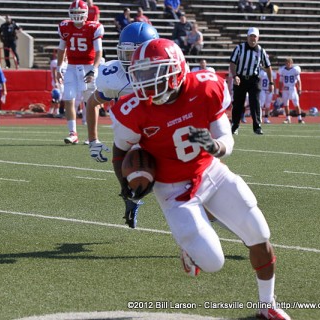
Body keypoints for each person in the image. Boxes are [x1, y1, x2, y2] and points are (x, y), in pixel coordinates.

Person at [110, 38, 291, 320]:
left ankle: (267, 305)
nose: (146, 82)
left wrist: (213, 146)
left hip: (210, 171)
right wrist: (127, 187)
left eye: (153, 73)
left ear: (176, 70)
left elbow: (225, 141)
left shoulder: (206, 87)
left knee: (259, 233)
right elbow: (121, 151)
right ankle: (190, 248)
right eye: (141, 74)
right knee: (213, 262)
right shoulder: (133, 109)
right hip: (172, 191)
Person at [85, 22, 158, 163]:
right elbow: (92, 103)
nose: (132, 60)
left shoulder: (167, 72)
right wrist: (93, 140)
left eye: (137, 54)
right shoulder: (115, 76)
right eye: (128, 53)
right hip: (132, 138)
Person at [57, 0, 104, 144]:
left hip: (88, 66)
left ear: (85, 14)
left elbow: (98, 52)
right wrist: (59, 66)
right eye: (74, 13)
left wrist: (94, 70)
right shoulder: (65, 26)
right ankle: (73, 133)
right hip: (71, 66)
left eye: (79, 12)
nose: (77, 16)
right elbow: (61, 49)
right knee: (68, 98)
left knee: (90, 102)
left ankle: (92, 136)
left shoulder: (93, 27)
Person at [230, 27, 274, 135]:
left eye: (255, 36)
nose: (252, 39)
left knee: (255, 102)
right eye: (251, 36)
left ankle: (257, 127)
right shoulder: (239, 48)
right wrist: (235, 76)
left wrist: (271, 82)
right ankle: (235, 126)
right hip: (240, 78)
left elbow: (268, 67)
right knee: (238, 104)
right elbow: (232, 63)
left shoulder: (261, 51)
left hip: (254, 80)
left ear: (258, 38)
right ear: (247, 37)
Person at [278, 57, 304, 124]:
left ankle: (299, 118)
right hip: (285, 89)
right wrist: (280, 90)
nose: (287, 64)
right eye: (286, 63)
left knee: (296, 104)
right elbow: (280, 82)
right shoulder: (282, 70)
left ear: (291, 63)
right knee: (286, 105)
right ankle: (287, 118)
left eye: (289, 63)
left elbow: (298, 81)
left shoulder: (295, 70)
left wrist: (299, 89)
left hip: (293, 88)